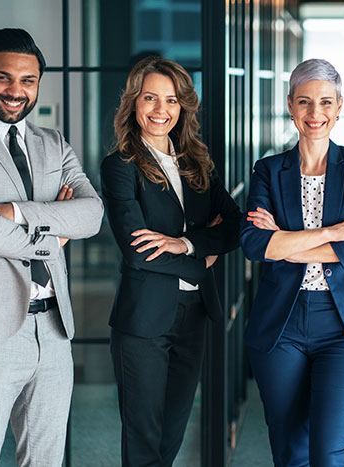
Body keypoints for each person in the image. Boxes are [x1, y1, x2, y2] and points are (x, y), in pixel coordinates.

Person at [0, 28, 103, 466]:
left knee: (46, 460)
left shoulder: (54, 143)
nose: (15, 90)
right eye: (3, 77)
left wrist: (12, 209)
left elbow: (92, 214)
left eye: (28, 80)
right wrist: (54, 231)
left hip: (52, 329)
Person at [240, 58, 344, 466]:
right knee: (290, 451)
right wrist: (331, 232)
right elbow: (256, 245)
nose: (315, 113)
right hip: (282, 323)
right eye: (305, 102)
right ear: (290, 105)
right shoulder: (269, 170)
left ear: (339, 105)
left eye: (325, 103)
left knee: (330, 452)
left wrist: (285, 241)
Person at [100, 56, 241, 466]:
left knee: (173, 433)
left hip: (192, 315)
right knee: (144, 438)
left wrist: (184, 244)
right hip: (143, 321)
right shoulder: (121, 166)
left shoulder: (195, 162)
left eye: (172, 100)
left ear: (183, 108)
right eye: (150, 98)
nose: (161, 110)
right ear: (133, 103)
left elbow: (234, 225)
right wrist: (202, 257)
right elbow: (137, 250)